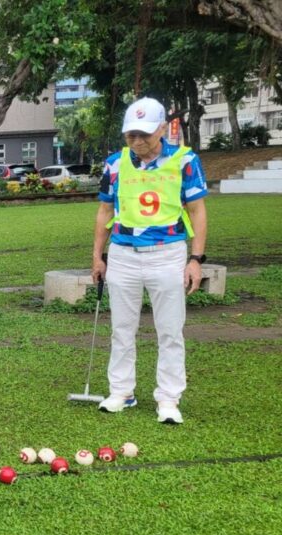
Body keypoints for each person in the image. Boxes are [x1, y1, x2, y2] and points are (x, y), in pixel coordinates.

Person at [91, 97, 208, 425]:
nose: (138, 141)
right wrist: (98, 256)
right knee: (121, 328)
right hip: (123, 253)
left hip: (167, 253)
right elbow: (104, 211)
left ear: (161, 129)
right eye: (131, 135)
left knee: (170, 329)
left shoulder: (185, 160)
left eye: (144, 134)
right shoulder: (114, 163)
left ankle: (168, 398)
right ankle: (121, 392)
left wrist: (196, 258)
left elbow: (197, 210)